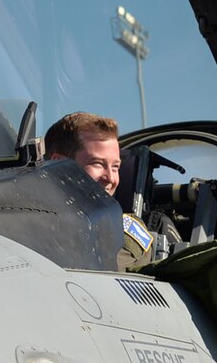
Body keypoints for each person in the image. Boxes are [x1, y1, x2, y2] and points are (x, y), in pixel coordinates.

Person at [44, 112, 153, 269]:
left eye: (115, 167)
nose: (111, 178)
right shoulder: (23, 218)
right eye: (97, 163)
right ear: (58, 164)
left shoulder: (124, 233)